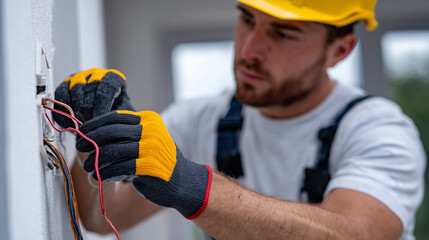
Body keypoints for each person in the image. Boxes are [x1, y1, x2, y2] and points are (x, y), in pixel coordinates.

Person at [54, 0, 426, 239]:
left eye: (282, 33)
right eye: (247, 20)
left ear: (339, 50)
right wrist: (95, 148)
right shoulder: (200, 120)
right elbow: (102, 218)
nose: (249, 51)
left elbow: (354, 234)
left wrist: (193, 185)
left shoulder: (379, 131)